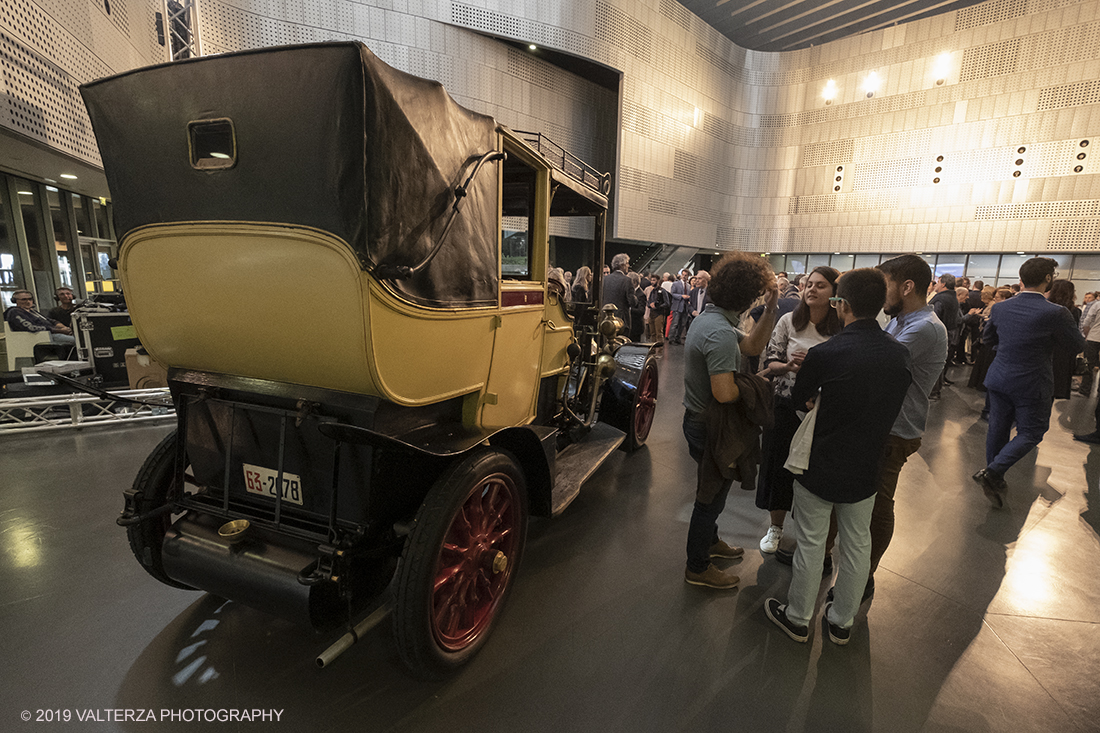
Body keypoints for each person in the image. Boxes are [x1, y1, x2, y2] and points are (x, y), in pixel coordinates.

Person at [764, 268, 911, 645]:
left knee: (813, 542)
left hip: (821, 460)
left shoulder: (827, 352)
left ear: (842, 304)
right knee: (857, 543)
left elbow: (800, 399)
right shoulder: (899, 354)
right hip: (867, 463)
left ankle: (798, 618)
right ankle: (842, 621)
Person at [843, 254, 947, 604]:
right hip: (882, 424)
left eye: (884, 285)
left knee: (878, 506)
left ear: (906, 286)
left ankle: (864, 575)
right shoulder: (900, 321)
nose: (879, 294)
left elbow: (873, 363)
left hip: (896, 430)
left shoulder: (924, 328)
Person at [682, 253, 778, 589]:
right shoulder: (720, 332)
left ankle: (710, 544)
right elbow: (724, 393)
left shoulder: (711, 320)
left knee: (713, 488)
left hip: (698, 420)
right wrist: (757, 384)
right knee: (710, 497)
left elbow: (752, 345)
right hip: (710, 425)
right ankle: (697, 566)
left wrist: (772, 307)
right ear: (747, 297)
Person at [973, 258, 1086, 508]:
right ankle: (993, 472)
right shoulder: (1057, 312)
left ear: (1021, 278)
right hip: (1032, 382)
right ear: (1048, 279)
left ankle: (996, 477)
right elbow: (1076, 345)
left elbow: (988, 338)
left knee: (997, 428)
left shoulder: (1001, 308)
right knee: (1032, 432)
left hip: (999, 376)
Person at [756, 266, 842, 555]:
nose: (812, 290)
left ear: (834, 293)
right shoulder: (789, 321)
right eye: (809, 285)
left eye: (821, 285)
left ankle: (811, 534)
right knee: (777, 464)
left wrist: (816, 365)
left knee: (813, 472)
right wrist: (791, 366)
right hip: (785, 401)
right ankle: (775, 527)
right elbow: (772, 361)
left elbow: (844, 367)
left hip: (821, 407)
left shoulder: (841, 325)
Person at [1047, 279, 1081, 400]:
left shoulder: (1046, 307)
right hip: (1064, 352)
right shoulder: (1074, 311)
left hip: (1046, 349)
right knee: (1055, 386)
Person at [4, 289, 75, 344]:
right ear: (15, 301)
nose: (28, 301)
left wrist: (63, 327)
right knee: (79, 342)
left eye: (30, 299)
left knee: (81, 339)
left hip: (49, 335)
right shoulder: (15, 312)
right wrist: (58, 330)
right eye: (24, 299)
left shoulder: (32, 311)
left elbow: (48, 320)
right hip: (41, 337)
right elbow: (31, 327)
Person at [928, 273, 960, 398]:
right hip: (950, 333)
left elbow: (933, 318)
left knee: (933, 362)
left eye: (938, 281)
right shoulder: (953, 298)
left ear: (943, 284)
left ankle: (934, 391)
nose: (936, 284)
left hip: (938, 334)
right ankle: (937, 388)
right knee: (941, 362)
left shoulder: (940, 299)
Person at [600, 253, 636, 333]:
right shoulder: (627, 280)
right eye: (627, 263)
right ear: (622, 265)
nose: (628, 266)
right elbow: (632, 302)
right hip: (621, 321)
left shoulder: (604, 280)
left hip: (605, 319)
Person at [1080, 292, 1100, 397]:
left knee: (1088, 365)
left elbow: (1086, 322)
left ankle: (1085, 389)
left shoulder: (1096, 305)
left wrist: (1087, 334)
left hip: (1093, 337)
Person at [668, 269, 692, 344]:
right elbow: (673, 293)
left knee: (682, 324)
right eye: (683, 275)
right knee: (675, 323)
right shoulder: (676, 284)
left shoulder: (688, 286)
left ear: (688, 276)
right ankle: (671, 339)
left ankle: (678, 338)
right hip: (677, 306)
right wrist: (681, 296)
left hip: (685, 307)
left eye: (686, 275)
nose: (684, 277)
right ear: (681, 275)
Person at [646, 275, 671, 348]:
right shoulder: (652, 291)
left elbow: (667, 303)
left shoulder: (663, 291)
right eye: (651, 280)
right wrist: (650, 305)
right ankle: (653, 350)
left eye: (654, 280)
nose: (652, 282)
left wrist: (658, 306)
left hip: (659, 314)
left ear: (658, 281)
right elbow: (648, 302)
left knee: (659, 333)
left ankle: (659, 351)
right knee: (652, 333)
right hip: (652, 313)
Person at [627, 272, 646, 342]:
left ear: (634, 282)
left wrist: (629, 309)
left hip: (636, 327)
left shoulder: (640, 294)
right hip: (631, 326)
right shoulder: (632, 292)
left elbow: (641, 311)